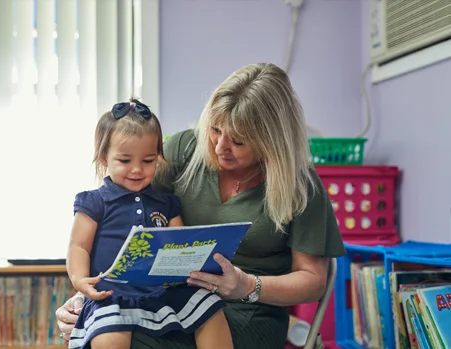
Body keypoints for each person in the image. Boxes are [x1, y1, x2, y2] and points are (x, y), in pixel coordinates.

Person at [57, 63, 346, 349]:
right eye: (216, 130)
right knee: (104, 332)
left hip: (249, 311)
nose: (221, 146)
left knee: (134, 343)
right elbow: (121, 222)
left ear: (272, 141)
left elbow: (312, 281)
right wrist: (88, 298)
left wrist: (247, 285)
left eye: (239, 140)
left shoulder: (300, 185)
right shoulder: (184, 150)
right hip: (168, 295)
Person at [65, 98, 233, 349]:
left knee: (211, 310)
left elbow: (182, 244)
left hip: (163, 291)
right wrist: (79, 280)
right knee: (108, 338)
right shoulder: (95, 202)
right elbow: (78, 246)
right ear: (103, 158)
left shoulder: (166, 203)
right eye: (124, 161)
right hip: (112, 294)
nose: (137, 170)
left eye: (148, 161)